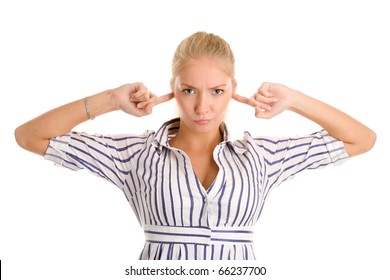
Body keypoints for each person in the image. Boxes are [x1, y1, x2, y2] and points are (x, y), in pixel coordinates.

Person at [14, 31, 376, 260]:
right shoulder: (134, 155)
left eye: (217, 91)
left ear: (233, 89)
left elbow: (361, 139)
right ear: (172, 87)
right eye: (189, 90)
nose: (203, 107)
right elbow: (30, 136)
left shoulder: (261, 158)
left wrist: (293, 99)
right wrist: (111, 99)